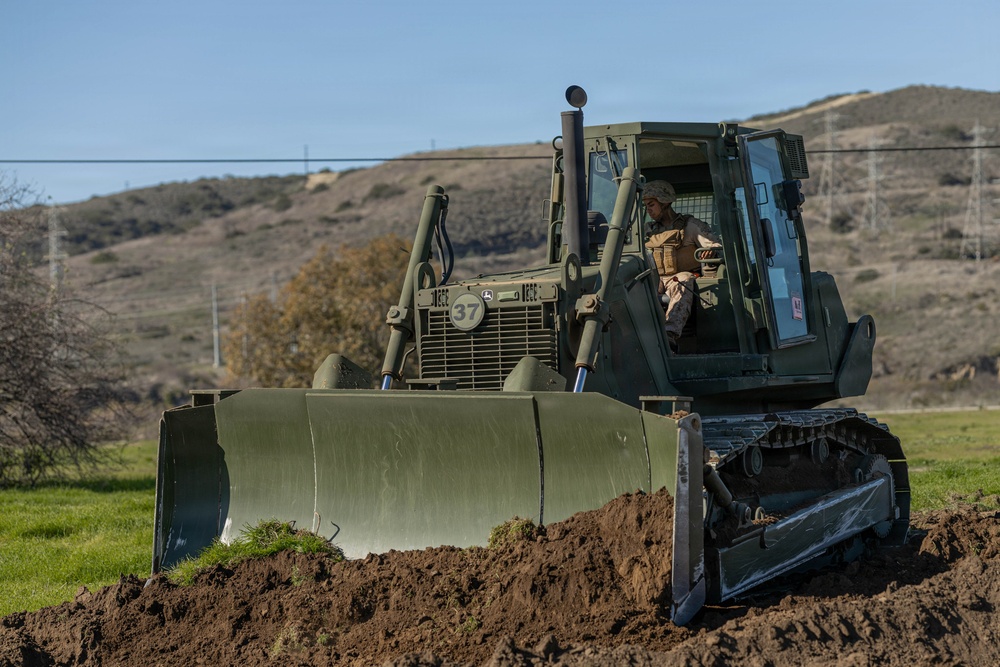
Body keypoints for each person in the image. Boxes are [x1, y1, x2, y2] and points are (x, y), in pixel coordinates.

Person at [642, 180, 720, 350]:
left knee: (683, 279)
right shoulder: (646, 231)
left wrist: (711, 251)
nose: (648, 210)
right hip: (654, 279)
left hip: (677, 278)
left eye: (651, 204)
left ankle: (669, 335)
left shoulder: (689, 226)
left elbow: (714, 245)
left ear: (665, 202)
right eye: (645, 205)